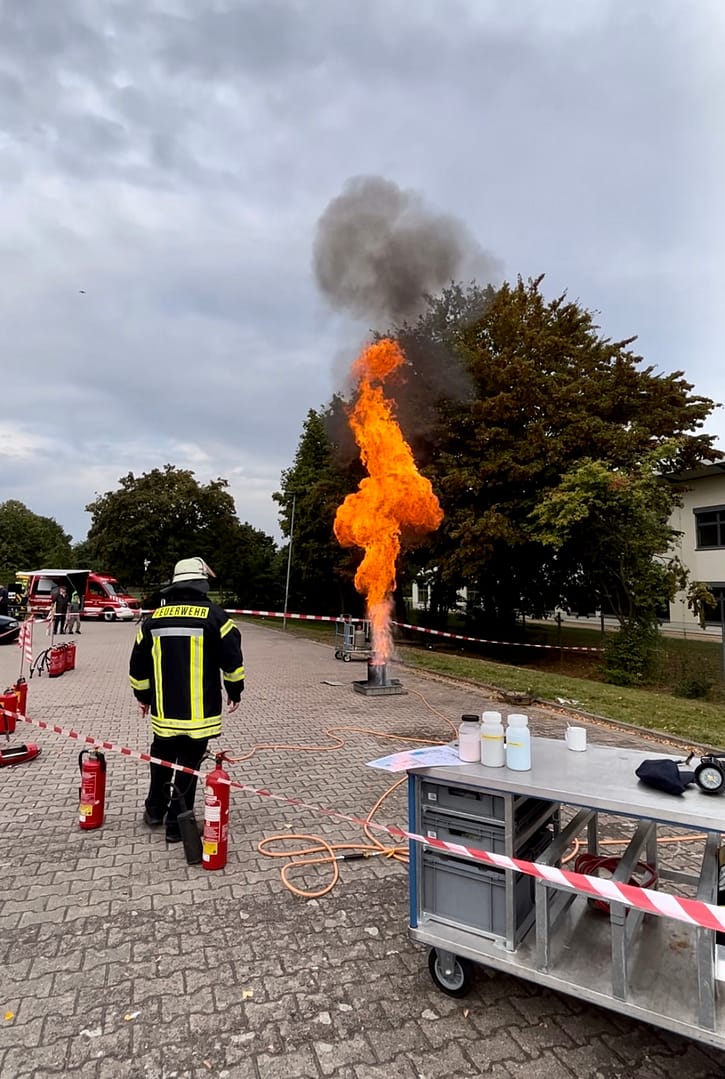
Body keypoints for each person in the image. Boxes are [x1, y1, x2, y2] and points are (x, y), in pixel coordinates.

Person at [128, 557, 244, 844]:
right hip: (199, 714)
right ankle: (176, 825)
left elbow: (137, 666)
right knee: (189, 767)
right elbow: (232, 662)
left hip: (164, 712)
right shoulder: (217, 617)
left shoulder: (153, 619)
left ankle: (154, 810)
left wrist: (143, 697)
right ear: (201, 586)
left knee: (161, 760)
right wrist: (235, 690)